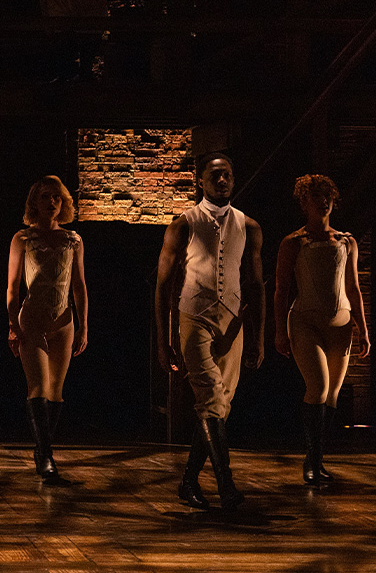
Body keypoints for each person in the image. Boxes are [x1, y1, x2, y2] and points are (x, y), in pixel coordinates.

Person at [155, 152, 264, 510]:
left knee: (219, 406)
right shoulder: (183, 223)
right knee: (211, 400)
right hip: (194, 316)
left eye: (228, 175)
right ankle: (226, 485)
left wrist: (258, 336)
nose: (222, 181)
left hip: (232, 322)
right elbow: (162, 285)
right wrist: (163, 336)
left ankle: (188, 482)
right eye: (215, 175)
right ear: (200, 180)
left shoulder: (248, 226)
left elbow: (257, 285)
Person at [273, 174, 369, 485]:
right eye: (316, 197)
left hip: (340, 322)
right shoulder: (294, 242)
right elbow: (281, 289)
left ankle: (317, 460)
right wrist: (279, 331)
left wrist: (363, 329)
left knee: (333, 396)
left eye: (327, 196)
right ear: (305, 204)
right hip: (305, 321)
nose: (323, 202)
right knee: (318, 387)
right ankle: (310, 465)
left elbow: (353, 287)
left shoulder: (346, 241)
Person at [6, 175, 88, 484]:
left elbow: (79, 286)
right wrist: (13, 324)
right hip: (33, 321)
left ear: (64, 201)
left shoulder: (73, 240)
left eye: (56, 196)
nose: (51, 202)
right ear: (35, 203)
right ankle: (47, 458)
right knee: (38, 386)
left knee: (56, 392)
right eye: (44, 197)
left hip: (63, 321)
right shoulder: (23, 239)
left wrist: (83, 326)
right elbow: (13, 288)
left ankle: (42, 452)